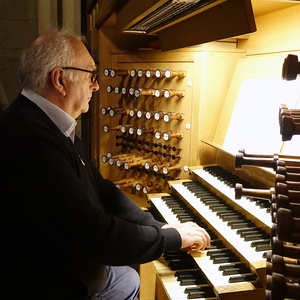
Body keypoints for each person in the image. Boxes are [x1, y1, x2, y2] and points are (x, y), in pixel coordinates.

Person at [0, 29, 211, 300]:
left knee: (129, 276)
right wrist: (170, 240)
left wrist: (158, 226)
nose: (96, 86)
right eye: (91, 75)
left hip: (68, 264)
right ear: (60, 79)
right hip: (52, 283)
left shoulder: (46, 123)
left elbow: (102, 190)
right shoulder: (31, 140)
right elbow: (95, 234)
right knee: (129, 281)